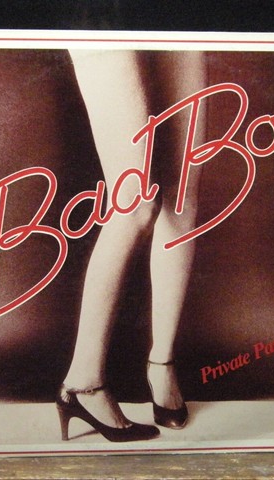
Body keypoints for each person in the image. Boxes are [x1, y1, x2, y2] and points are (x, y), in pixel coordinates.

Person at [57, 49, 206, 442]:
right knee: (135, 202)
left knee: (182, 191)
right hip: (105, 22)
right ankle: (83, 382)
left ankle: (162, 363)